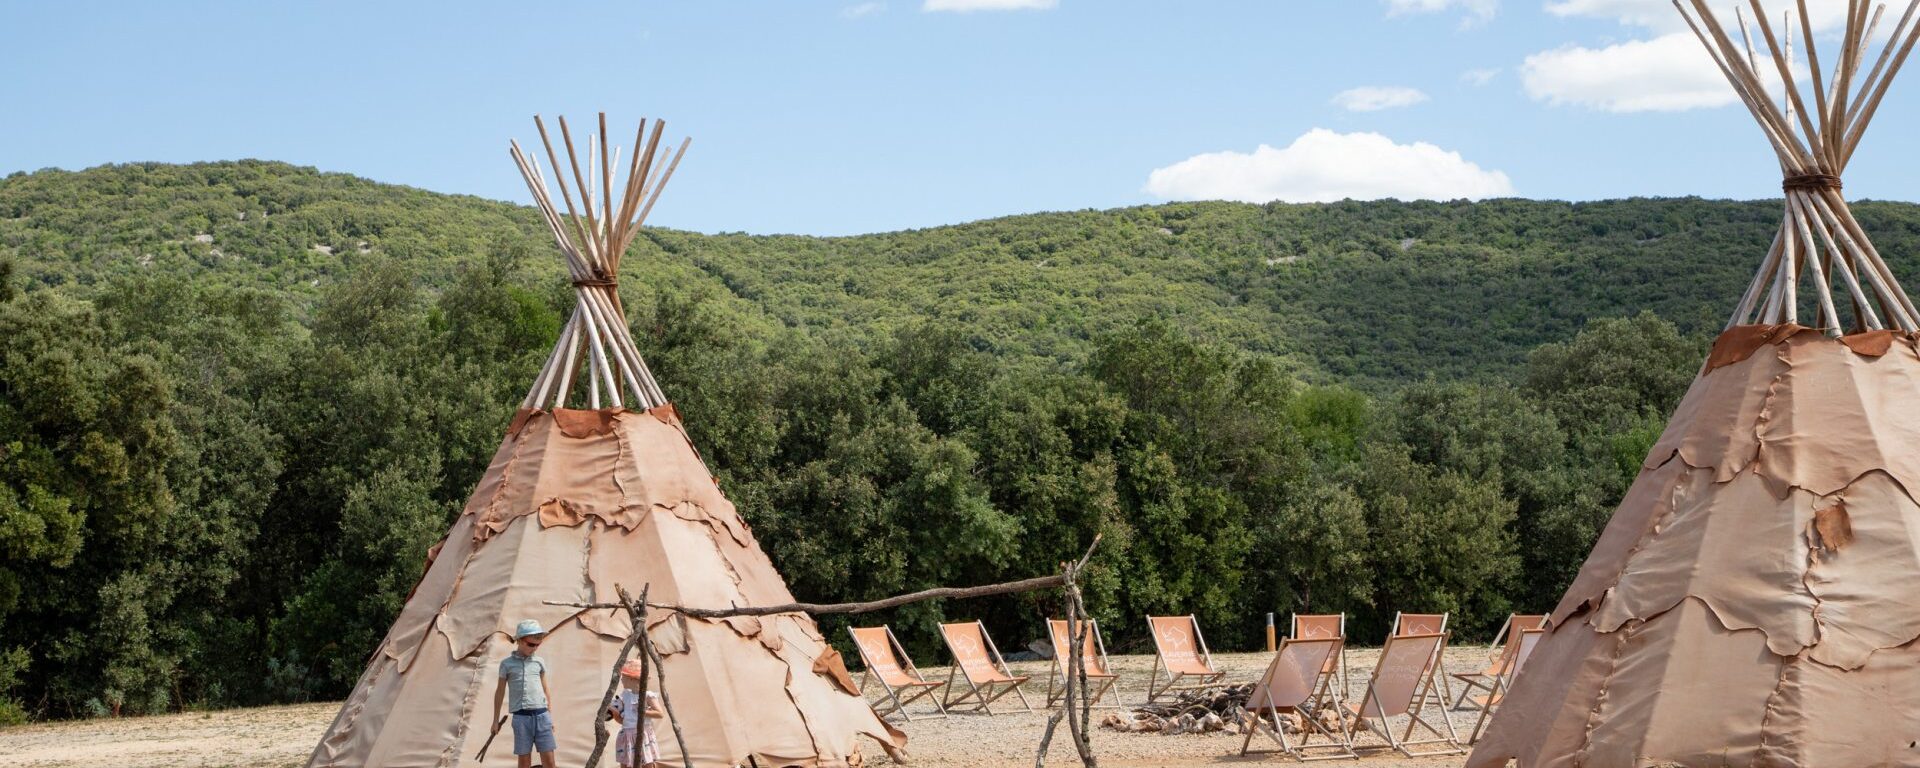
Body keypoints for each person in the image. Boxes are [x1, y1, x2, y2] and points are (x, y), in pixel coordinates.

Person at [492, 619, 557, 768]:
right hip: (521, 718)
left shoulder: (539, 662)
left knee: (550, 762)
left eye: (537, 645)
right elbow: (500, 692)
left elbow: (545, 689)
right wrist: (495, 720)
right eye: (530, 644)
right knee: (524, 762)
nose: (534, 648)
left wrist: (550, 716)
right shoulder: (506, 664)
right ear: (520, 641)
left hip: (542, 716)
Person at [607, 659, 664, 768]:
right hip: (627, 735)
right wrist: (616, 715)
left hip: (642, 735)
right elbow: (625, 721)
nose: (621, 680)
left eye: (623, 677)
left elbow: (660, 713)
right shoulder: (625, 695)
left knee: (647, 762)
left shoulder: (647, 695)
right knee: (625, 763)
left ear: (632, 679)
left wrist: (643, 711)